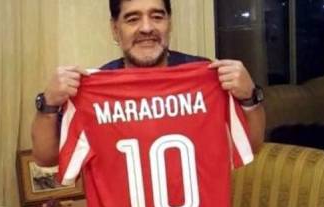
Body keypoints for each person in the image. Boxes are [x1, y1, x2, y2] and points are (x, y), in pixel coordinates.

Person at [32, 0, 265, 168]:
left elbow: (249, 147)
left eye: (157, 16)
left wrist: (250, 98)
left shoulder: (206, 76)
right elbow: (45, 158)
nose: (146, 28)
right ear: (115, 29)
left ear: (169, 23)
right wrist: (48, 105)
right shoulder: (94, 89)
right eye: (132, 19)